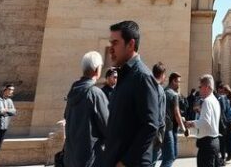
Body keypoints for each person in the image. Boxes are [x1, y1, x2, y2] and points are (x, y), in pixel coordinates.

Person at [102, 20, 160, 167]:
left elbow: (151, 125)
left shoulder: (142, 77)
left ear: (131, 44)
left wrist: (125, 162)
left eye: (115, 43)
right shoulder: (124, 75)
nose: (110, 49)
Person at [63, 51, 109, 167]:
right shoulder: (95, 94)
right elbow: (108, 126)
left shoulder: (73, 91)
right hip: (90, 159)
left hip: (71, 158)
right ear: (97, 69)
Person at [185, 74, 222, 167]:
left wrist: (191, 123)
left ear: (207, 87)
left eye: (200, 86)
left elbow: (205, 122)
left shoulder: (207, 101)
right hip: (215, 142)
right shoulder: (215, 100)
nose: (199, 89)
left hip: (207, 144)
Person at [161, 72, 186, 167]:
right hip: (168, 128)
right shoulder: (173, 94)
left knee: (171, 155)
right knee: (170, 157)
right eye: (178, 82)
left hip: (166, 127)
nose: (179, 84)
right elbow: (176, 113)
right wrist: (183, 129)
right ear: (173, 81)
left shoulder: (163, 91)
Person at [0, 84, 17, 166]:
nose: (11, 91)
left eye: (12, 90)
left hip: (4, 128)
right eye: (10, 89)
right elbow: (0, 111)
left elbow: (14, 112)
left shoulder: (10, 101)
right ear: (5, 89)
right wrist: (8, 111)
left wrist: (6, 111)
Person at [151, 62, 168, 166]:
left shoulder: (147, 87)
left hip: (145, 129)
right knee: (153, 160)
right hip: (156, 131)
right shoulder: (160, 90)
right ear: (162, 75)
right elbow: (160, 115)